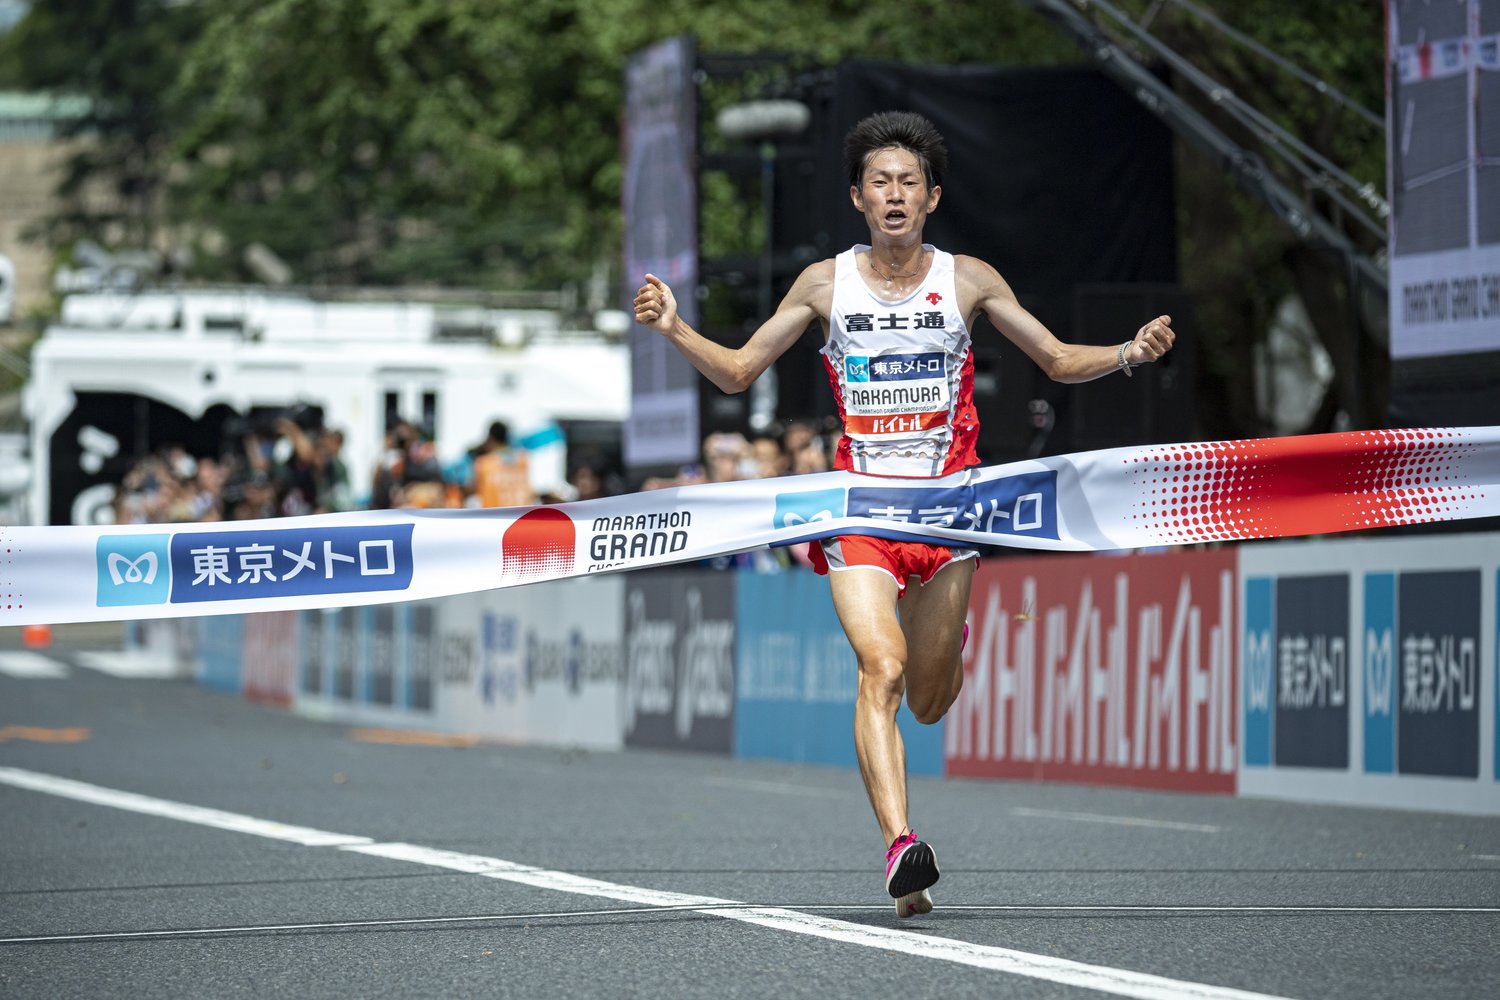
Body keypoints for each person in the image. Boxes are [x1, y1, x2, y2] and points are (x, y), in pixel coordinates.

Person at [634, 110, 1175, 918]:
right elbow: (742, 372)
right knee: (880, 670)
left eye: (908, 183)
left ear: (931, 199)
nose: (894, 195)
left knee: (929, 697)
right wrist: (677, 328)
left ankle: (947, 639)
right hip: (858, 512)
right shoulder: (825, 283)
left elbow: (1058, 360)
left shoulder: (969, 280)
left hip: (949, 517)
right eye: (880, 182)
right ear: (858, 198)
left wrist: (1128, 352)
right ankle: (901, 845)